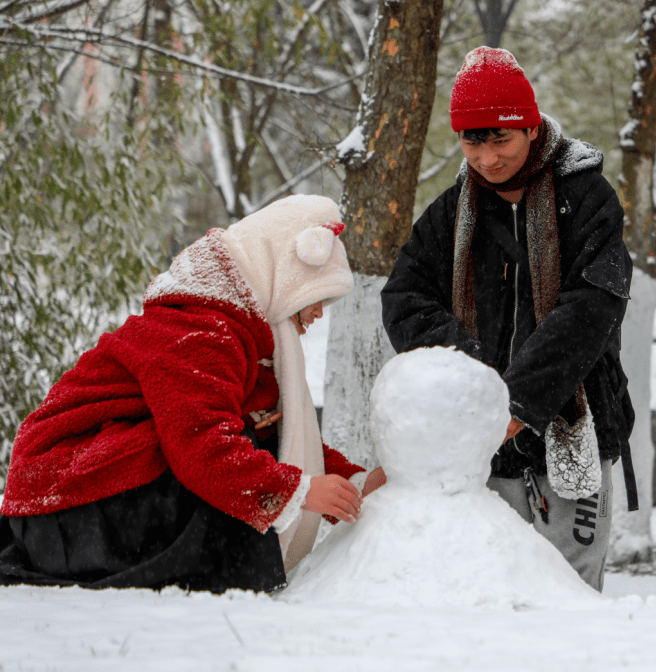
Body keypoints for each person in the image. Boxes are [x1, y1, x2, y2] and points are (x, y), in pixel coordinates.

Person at [0, 195, 384, 593]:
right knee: (222, 458)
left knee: (243, 447)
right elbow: (201, 443)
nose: (318, 313)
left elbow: (277, 431)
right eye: (315, 297)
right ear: (282, 274)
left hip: (77, 499)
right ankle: (204, 576)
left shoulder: (244, 335)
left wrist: (351, 481)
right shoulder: (201, 329)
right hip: (63, 504)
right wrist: (298, 491)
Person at [380, 46, 635, 592]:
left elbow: (593, 309)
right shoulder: (451, 213)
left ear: (531, 128)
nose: (488, 157)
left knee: (569, 591)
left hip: (575, 427)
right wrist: (480, 388)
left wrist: (520, 401)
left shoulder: (588, 198)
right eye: (474, 140)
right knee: (492, 591)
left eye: (501, 138)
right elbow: (404, 298)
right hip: (484, 444)